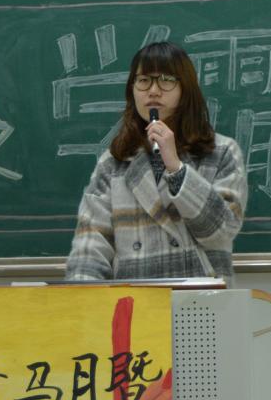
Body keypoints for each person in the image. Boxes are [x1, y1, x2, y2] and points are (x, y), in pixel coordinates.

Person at [65, 41, 248, 282]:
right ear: (132, 90)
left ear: (185, 88)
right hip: (136, 299)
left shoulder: (221, 152)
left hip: (201, 298)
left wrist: (176, 167)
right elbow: (90, 245)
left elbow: (222, 231)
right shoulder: (113, 163)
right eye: (143, 80)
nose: (153, 90)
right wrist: (81, 297)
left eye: (166, 80)